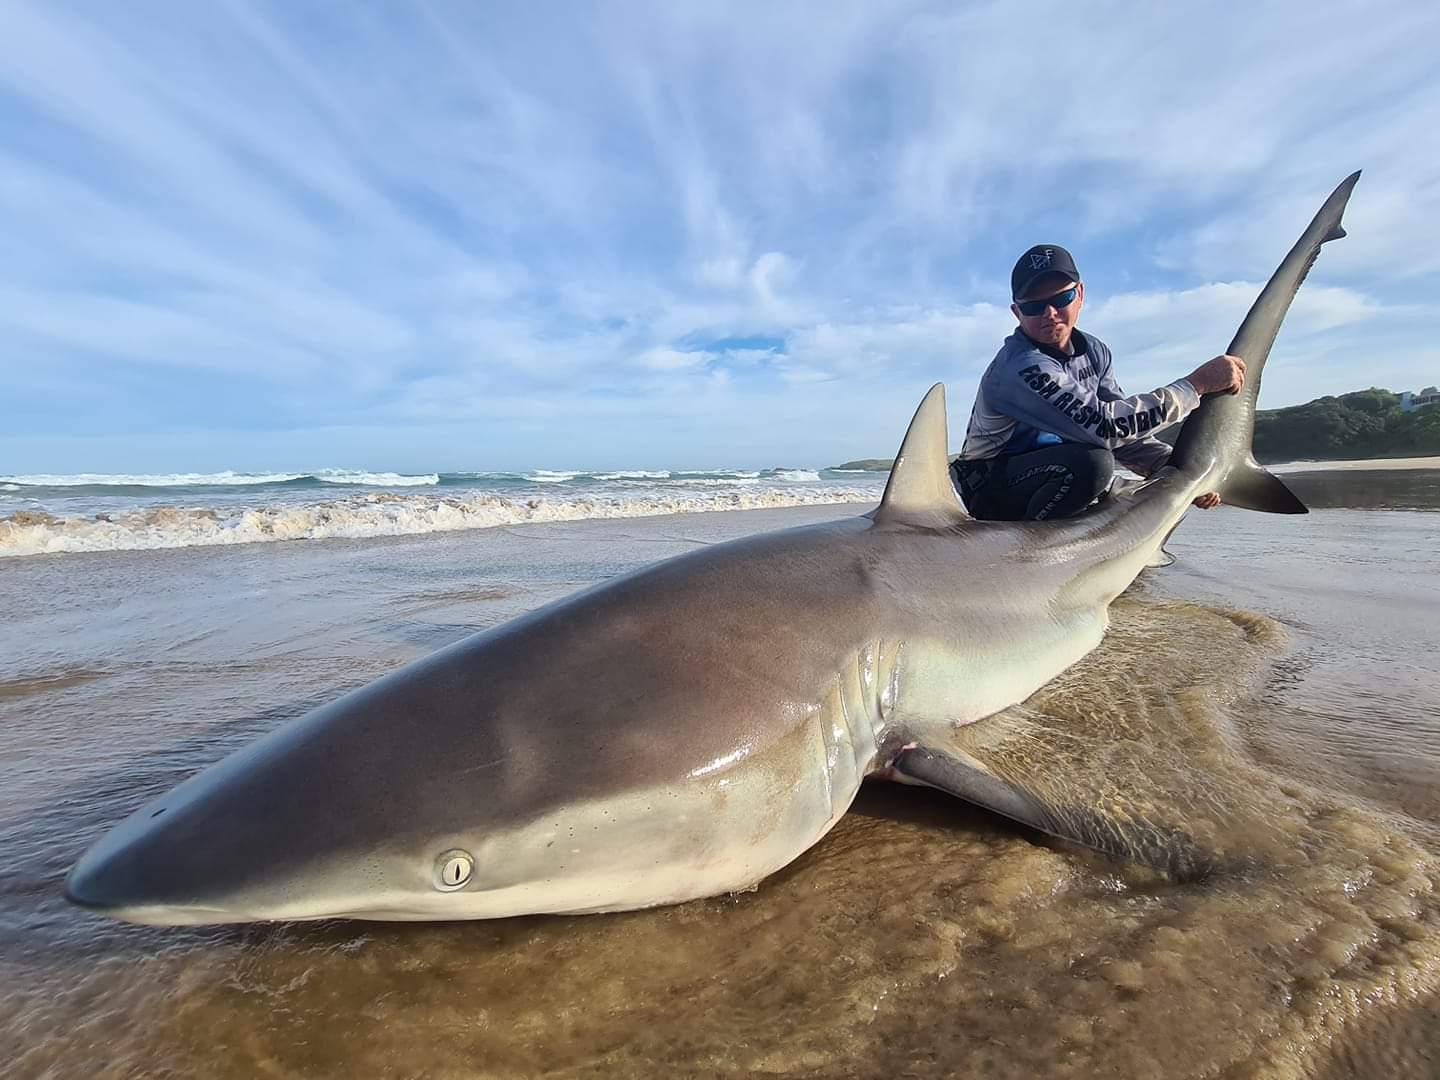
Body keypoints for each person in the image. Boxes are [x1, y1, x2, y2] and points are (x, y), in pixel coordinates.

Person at [952, 244, 1246, 521]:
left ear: (1080, 294)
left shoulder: (1094, 351)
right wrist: (1194, 387)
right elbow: (1106, 427)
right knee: (1091, 465)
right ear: (1017, 312)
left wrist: (1176, 469)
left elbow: (1126, 437)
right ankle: (1031, 558)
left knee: (1165, 489)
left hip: (1053, 474)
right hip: (993, 486)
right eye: (1033, 307)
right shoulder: (1021, 366)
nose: (1050, 314)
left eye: (1061, 299)